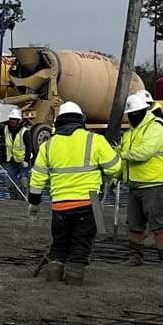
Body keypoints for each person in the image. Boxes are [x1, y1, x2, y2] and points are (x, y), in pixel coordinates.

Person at [26, 100, 120, 285]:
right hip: (88, 203)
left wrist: (34, 205)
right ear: (80, 120)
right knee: (80, 245)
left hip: (60, 205)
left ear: (59, 121)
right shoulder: (95, 140)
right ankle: (74, 281)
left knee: (59, 244)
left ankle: (53, 276)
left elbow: (37, 179)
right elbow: (115, 168)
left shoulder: (48, 146)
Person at [118, 89, 163, 264]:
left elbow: (144, 153)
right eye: (130, 114)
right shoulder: (130, 132)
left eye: (134, 113)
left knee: (158, 223)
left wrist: (121, 155)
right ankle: (135, 256)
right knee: (134, 224)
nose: (132, 116)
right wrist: (116, 176)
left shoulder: (155, 127)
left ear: (143, 111)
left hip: (153, 183)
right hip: (134, 184)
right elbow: (125, 160)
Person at [0, 107, 33, 193]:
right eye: (11, 119)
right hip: (13, 161)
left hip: (23, 161)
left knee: (23, 181)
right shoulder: (6, 129)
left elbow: (29, 147)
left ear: (19, 121)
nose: (12, 121)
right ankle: (13, 199)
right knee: (8, 181)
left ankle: (22, 199)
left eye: (14, 119)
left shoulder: (25, 132)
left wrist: (26, 160)